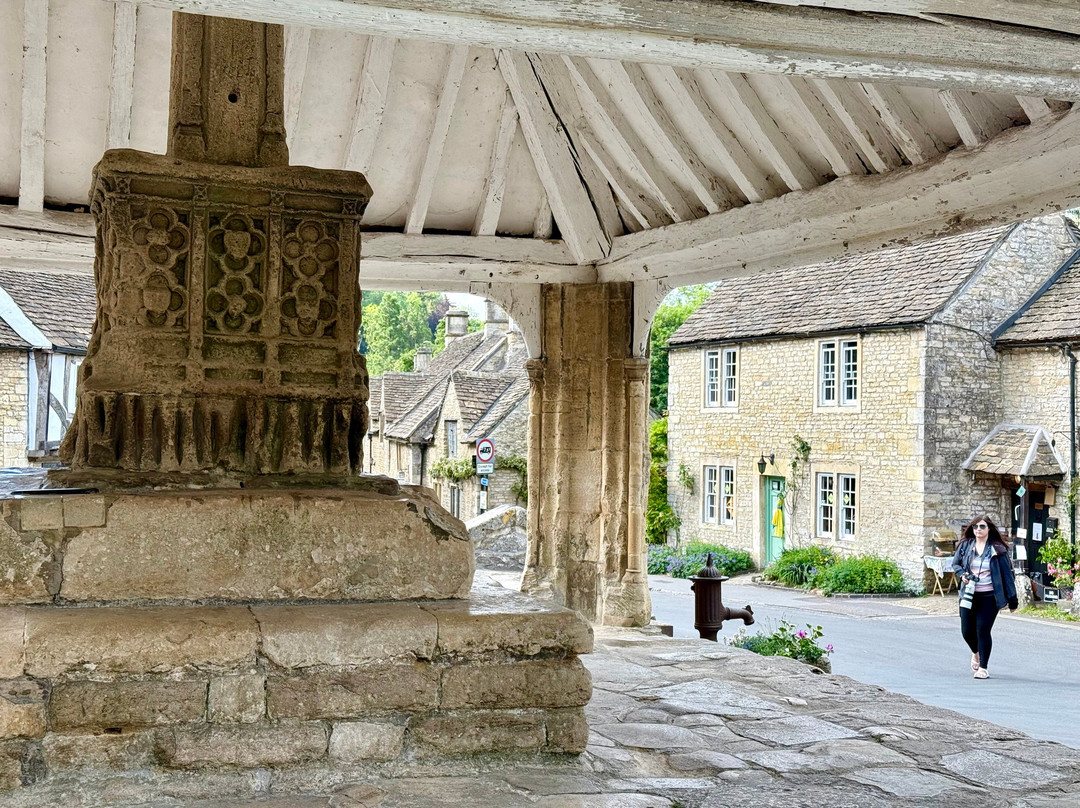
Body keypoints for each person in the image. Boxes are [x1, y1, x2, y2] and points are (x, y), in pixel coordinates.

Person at [949, 514, 1018, 679]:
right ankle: (976, 652)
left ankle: (983, 668)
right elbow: (955, 564)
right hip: (968, 594)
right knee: (966, 631)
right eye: (975, 527)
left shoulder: (998, 549)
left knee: (983, 630)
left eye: (982, 526)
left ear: (989, 529)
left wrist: (1012, 600)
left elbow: (1007, 576)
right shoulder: (966, 545)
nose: (978, 529)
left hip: (989, 597)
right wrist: (963, 574)